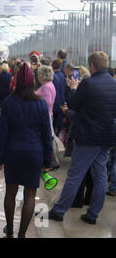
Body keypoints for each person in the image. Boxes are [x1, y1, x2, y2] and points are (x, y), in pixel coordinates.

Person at [49, 52, 116, 225]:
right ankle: (93, 214)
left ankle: (59, 211)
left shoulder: (87, 83)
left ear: (92, 66)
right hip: (106, 137)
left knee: (75, 175)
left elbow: (73, 104)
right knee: (100, 174)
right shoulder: (114, 84)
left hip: (88, 137)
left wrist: (72, 88)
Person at [0, 63, 52, 238]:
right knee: (30, 195)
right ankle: (21, 235)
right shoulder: (41, 104)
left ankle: (10, 230)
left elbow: (2, 133)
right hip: (34, 154)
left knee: (10, 192)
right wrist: (47, 162)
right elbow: (46, 135)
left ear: (17, 82)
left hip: (12, 154)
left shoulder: (8, 102)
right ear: (33, 82)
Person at [51, 59, 66, 136]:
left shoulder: (52, 76)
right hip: (61, 102)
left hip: (53, 102)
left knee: (52, 124)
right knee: (59, 124)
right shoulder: (63, 76)